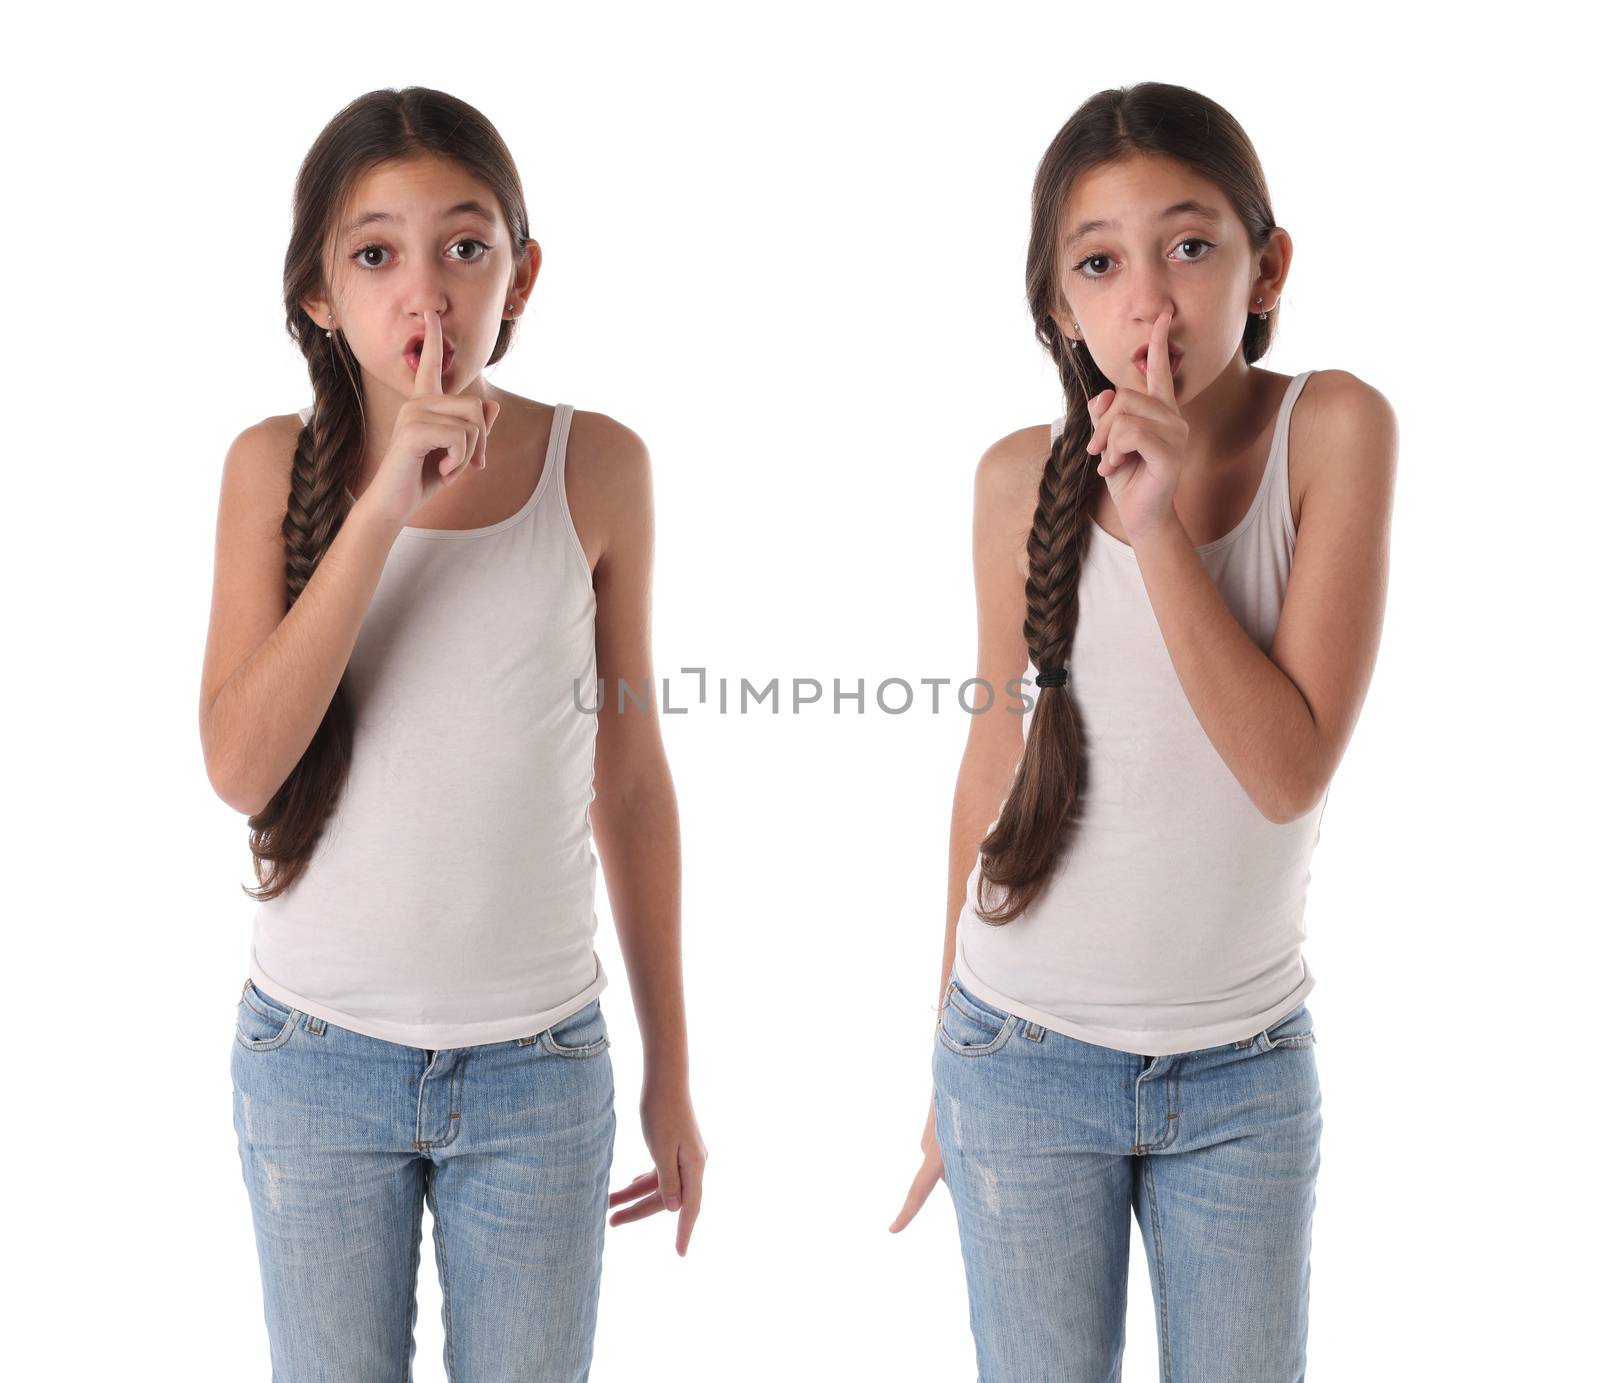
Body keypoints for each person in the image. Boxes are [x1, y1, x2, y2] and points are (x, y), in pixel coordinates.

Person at [889, 81, 1396, 1381]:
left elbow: (1287, 772)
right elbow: (990, 770)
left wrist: (1160, 527)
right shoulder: (1015, 479)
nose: (1149, 303)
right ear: (1057, 307)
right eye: (1101, 264)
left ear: (1264, 263)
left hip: (1242, 1076)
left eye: (1190, 246)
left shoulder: (1330, 429)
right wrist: (944, 1052)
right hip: (1019, 1053)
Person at [199, 87, 706, 1381]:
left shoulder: (599, 468)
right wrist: (382, 507)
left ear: (520, 275)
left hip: (537, 1071)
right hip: (315, 1064)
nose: (424, 292)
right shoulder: (270, 466)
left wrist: (672, 1075)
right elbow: (241, 766)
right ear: (319, 293)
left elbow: (632, 778)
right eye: (376, 254)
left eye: (464, 248)